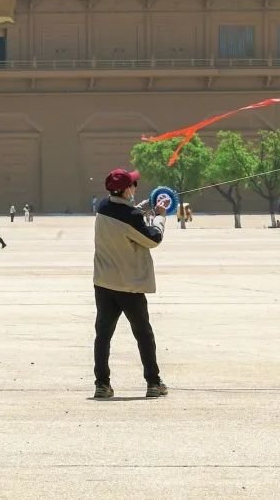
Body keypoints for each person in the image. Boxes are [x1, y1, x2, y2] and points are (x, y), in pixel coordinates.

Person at [91, 168, 168, 400]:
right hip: (129, 286)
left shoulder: (102, 207)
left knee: (103, 335)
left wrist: (140, 209)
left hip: (104, 283)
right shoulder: (132, 217)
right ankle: (153, 383)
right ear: (126, 190)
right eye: (133, 185)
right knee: (143, 334)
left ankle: (102, 384)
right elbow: (153, 239)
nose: (136, 187)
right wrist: (160, 216)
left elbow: (123, 217)